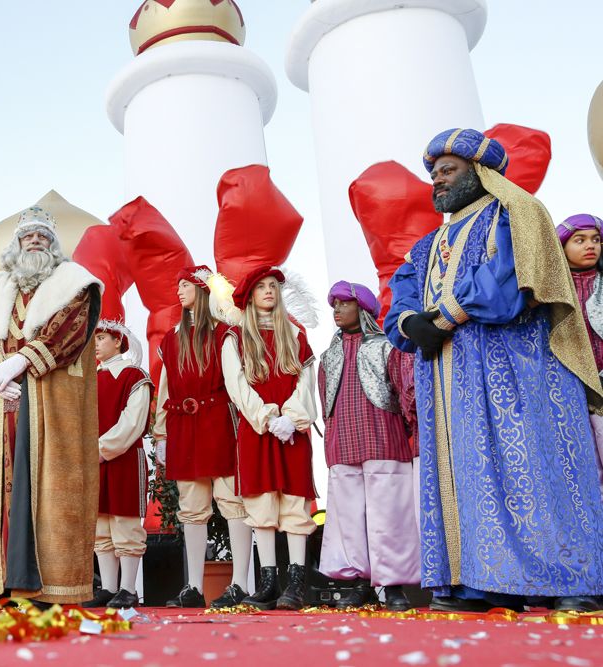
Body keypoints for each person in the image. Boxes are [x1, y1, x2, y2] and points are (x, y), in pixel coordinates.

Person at [385, 128, 603, 612]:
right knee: (467, 475)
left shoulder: (515, 216)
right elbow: (398, 295)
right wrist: (408, 322)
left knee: (530, 466)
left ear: (481, 171)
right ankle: (478, 585)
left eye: (449, 171)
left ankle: (571, 580)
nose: (437, 181)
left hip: (516, 369)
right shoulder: (424, 248)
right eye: (434, 173)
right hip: (446, 380)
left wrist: (439, 319)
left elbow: (505, 284)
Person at [0, 205, 102, 605]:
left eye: (43, 235)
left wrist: (19, 363)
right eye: (28, 235)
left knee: (49, 491)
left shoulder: (75, 283)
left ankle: (48, 588)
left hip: (51, 405)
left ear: (54, 245)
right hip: (0, 402)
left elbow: (70, 332)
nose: (35, 240)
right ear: (16, 245)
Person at [317, 281, 418, 611]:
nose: (337, 310)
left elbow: (407, 392)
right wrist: (329, 444)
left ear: (363, 309)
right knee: (348, 516)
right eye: (334, 304)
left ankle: (394, 585)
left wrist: (412, 433)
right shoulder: (328, 356)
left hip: (383, 439)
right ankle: (358, 582)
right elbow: (324, 404)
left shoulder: (387, 347)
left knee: (389, 514)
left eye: (344, 304)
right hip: (343, 442)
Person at [154, 265, 251, 609]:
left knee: (231, 501)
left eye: (185, 285)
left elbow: (234, 381)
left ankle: (241, 583)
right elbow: (165, 388)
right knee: (191, 508)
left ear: (202, 289)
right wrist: (161, 433)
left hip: (217, 422)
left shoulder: (224, 333)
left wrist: (253, 419)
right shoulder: (170, 338)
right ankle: (193, 587)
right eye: (177, 285)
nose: (179, 291)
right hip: (182, 426)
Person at [222, 265, 318, 611]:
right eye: (261, 286)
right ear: (249, 297)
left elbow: (306, 382)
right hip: (257, 430)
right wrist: (266, 417)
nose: (268, 291)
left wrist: (291, 419)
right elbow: (237, 386)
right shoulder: (234, 337)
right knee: (261, 504)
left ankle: (296, 583)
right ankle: (268, 581)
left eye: (273, 286)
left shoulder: (295, 334)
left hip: (292, 432)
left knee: (294, 502)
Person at [83, 320, 152, 609]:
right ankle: (109, 587)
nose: (96, 343)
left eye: (102, 338)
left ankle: (128, 588)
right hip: (94, 460)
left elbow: (133, 421)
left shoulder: (133, 375)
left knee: (125, 523)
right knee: (100, 524)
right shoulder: (89, 379)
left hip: (123, 458)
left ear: (118, 341)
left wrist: (99, 449)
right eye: (95, 338)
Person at [557, 213, 603, 481]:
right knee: (585, 471)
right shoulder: (552, 294)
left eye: (596, 239)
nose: (591, 246)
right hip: (572, 391)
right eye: (580, 240)